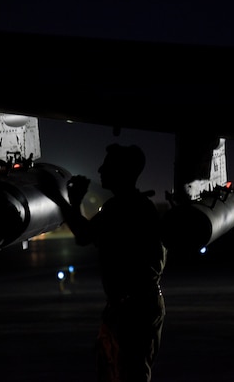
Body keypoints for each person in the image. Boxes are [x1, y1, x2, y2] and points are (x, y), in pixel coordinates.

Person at [55, 143, 167, 382]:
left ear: (121, 171)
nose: (100, 170)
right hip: (132, 306)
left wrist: (69, 202)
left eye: (107, 166)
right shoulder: (133, 206)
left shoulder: (123, 208)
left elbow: (84, 235)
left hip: (132, 310)